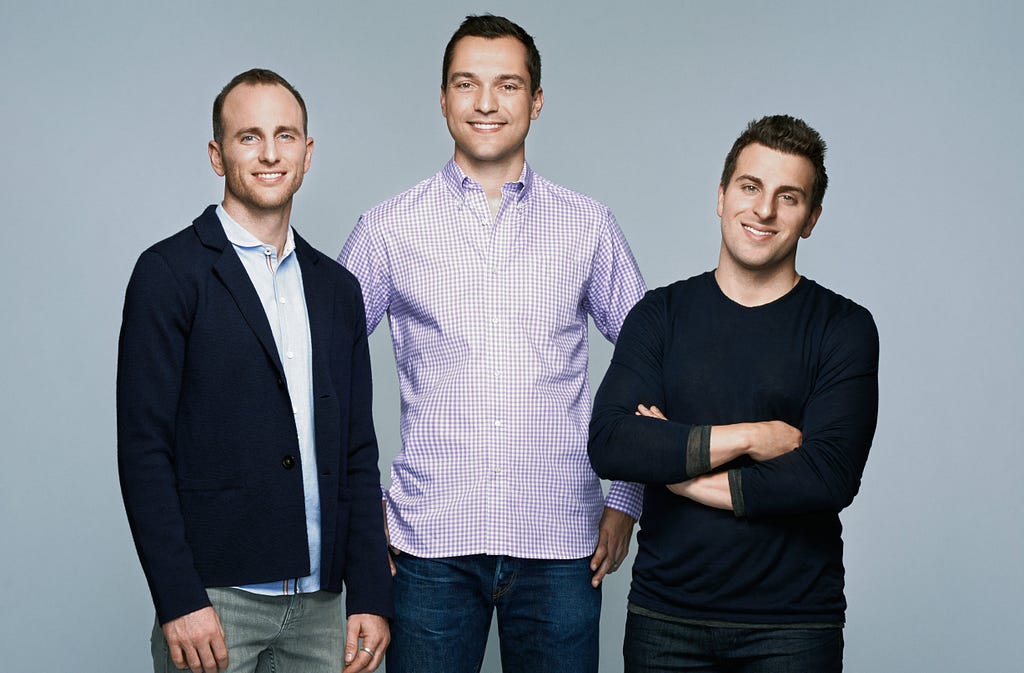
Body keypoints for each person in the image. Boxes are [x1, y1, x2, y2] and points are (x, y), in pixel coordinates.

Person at [337, 14, 646, 673]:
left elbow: (654, 358)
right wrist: (362, 519)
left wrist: (626, 498)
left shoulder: (588, 226)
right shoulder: (388, 229)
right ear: (443, 97)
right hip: (428, 548)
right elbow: (319, 372)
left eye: (507, 85)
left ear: (535, 100)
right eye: (466, 84)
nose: (485, 103)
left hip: (562, 545)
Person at [117, 68, 392, 673]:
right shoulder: (168, 274)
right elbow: (144, 450)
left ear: (307, 152)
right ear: (217, 155)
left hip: (324, 606)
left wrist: (370, 592)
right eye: (249, 137)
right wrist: (178, 597)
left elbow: (357, 449)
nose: (270, 153)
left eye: (286, 135)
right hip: (214, 606)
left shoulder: (338, 289)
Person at [588, 115, 879, 672]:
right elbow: (612, 442)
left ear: (811, 218)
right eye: (750, 187)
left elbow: (827, 475)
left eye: (787, 197)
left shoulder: (843, 327)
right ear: (721, 197)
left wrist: (674, 470)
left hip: (793, 627)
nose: (764, 211)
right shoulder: (660, 315)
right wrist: (752, 436)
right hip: (666, 620)